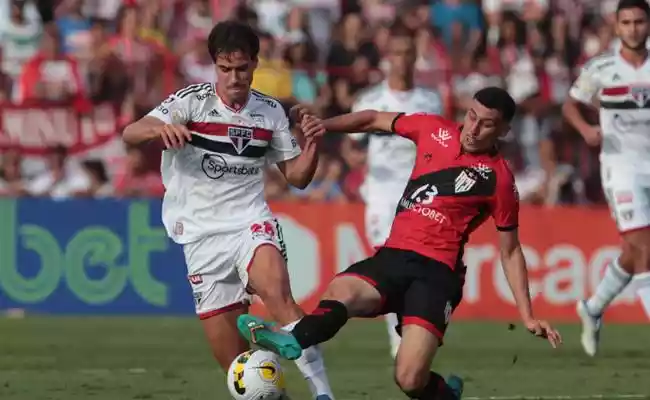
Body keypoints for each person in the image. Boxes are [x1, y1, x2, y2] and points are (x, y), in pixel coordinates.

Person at [238, 87, 563, 400]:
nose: (473, 129)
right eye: (471, 115)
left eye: (486, 123)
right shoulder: (434, 128)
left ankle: (444, 395)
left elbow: (510, 250)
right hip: (393, 257)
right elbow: (372, 119)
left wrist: (527, 315)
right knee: (342, 290)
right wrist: (324, 125)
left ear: (504, 130)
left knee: (409, 379)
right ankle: (290, 339)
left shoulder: (500, 180)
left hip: (437, 275)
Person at [122, 21, 334, 400]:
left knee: (279, 295)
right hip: (201, 236)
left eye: (242, 68)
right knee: (239, 371)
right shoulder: (190, 102)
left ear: (255, 64)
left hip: (250, 222)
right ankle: (262, 341)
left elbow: (298, 178)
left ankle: (323, 394)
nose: (234, 77)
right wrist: (159, 130)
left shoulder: (269, 112)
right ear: (214, 66)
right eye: (225, 68)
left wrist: (313, 145)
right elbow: (131, 132)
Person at [349, 22, 445, 359]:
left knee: (415, 267)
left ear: (415, 58)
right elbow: (350, 146)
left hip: (420, 193)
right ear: (388, 58)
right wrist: (355, 155)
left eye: (408, 54)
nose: (402, 60)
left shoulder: (429, 100)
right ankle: (398, 342)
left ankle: (411, 336)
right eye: (397, 54)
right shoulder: (370, 99)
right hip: (381, 191)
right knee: (389, 264)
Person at [562, 0, 650, 357]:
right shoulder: (601, 67)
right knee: (645, 247)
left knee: (633, 250)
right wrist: (584, 128)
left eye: (639, 22)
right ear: (616, 27)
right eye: (626, 22)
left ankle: (593, 307)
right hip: (621, 167)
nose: (633, 28)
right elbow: (570, 103)